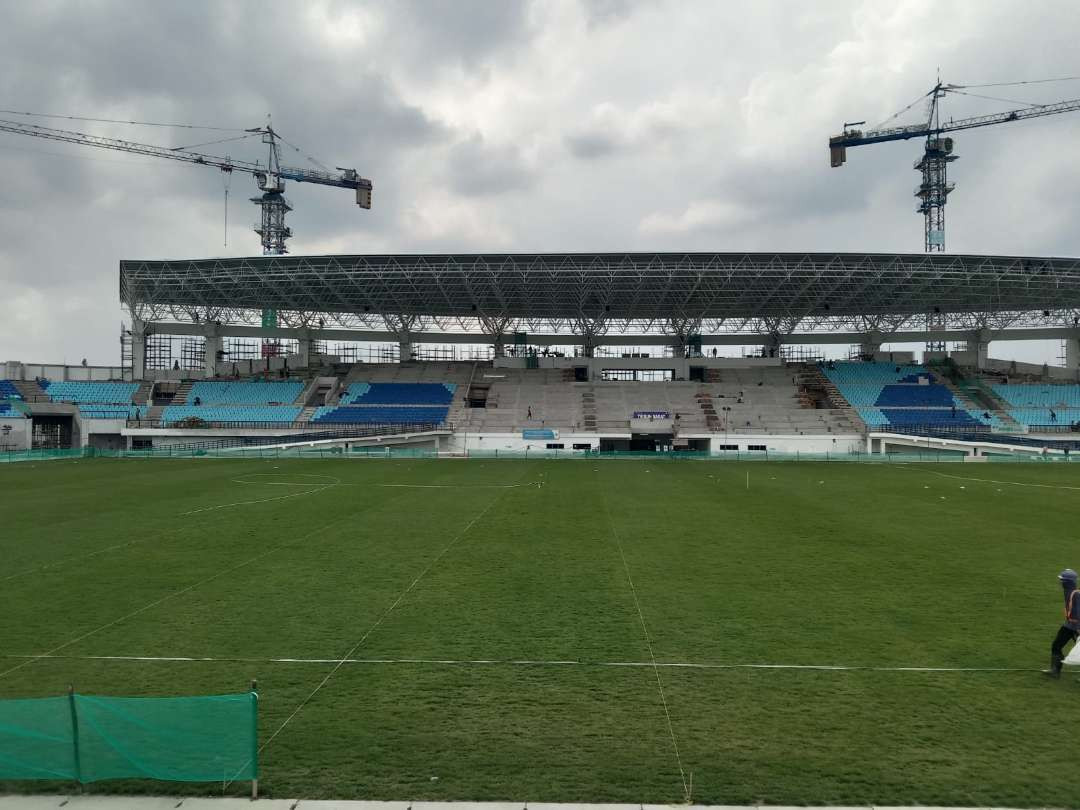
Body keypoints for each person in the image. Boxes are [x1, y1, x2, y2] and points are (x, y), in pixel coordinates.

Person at [1049, 568, 1080, 678]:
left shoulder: (1075, 594)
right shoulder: (1068, 592)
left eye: (1063, 580)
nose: (1061, 582)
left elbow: (1078, 613)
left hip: (1077, 628)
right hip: (1068, 626)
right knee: (1056, 645)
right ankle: (1055, 671)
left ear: (1068, 582)